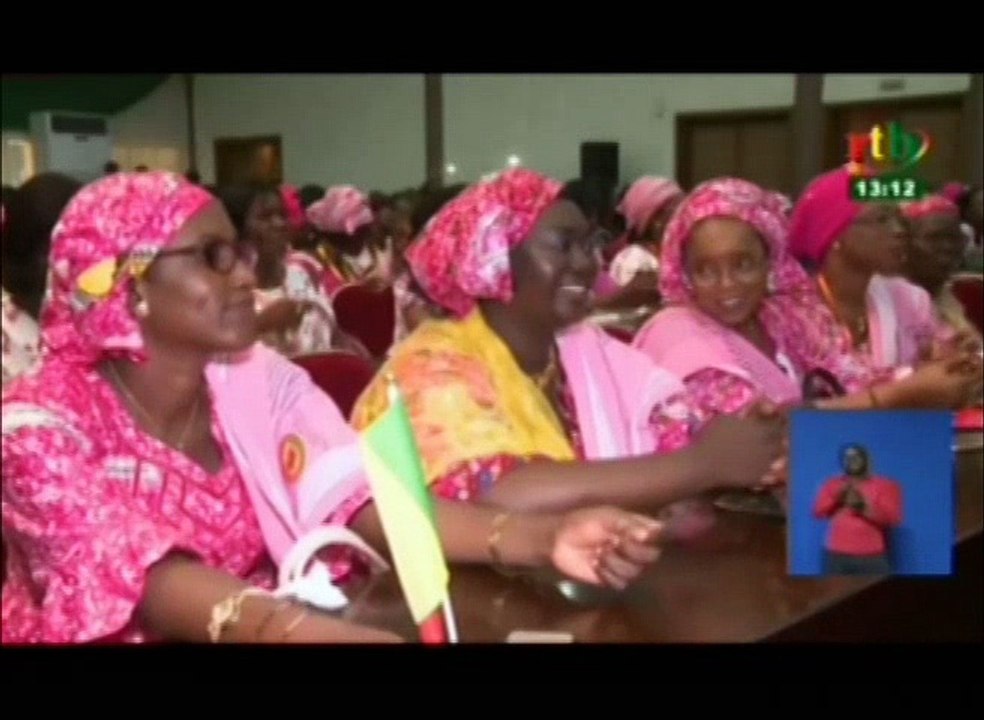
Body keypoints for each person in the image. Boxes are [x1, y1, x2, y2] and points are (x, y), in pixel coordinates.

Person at [1, 172, 666, 644]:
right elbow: (146, 579)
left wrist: (544, 538)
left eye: (240, 252)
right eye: (213, 258)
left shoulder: (257, 382)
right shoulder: (36, 427)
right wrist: (300, 631)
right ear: (127, 285)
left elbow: (367, 502)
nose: (247, 274)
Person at [352, 169, 785, 518]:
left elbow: (672, 425)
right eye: (563, 245)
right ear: (494, 259)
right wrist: (702, 465)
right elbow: (497, 493)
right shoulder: (431, 366)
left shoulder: (585, 350)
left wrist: (747, 435)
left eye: (589, 244)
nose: (586, 263)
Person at [633, 178, 981, 435]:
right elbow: (759, 435)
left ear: (770, 260)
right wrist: (905, 394)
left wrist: (938, 370)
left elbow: (849, 378)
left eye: (744, 264)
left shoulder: (782, 317)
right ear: (685, 274)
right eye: (705, 270)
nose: (727, 285)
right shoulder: (678, 335)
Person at [813, 444, 901, 575]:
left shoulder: (886, 485)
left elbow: (893, 519)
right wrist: (837, 499)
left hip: (871, 556)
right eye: (848, 458)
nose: (852, 461)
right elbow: (818, 512)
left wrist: (862, 507)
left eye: (856, 457)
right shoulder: (832, 484)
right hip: (836, 555)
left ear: (865, 459)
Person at [903, 194, 982, 340]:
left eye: (954, 238)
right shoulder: (886, 303)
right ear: (905, 243)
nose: (947, 247)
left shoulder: (970, 295)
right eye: (934, 238)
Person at [609, 176, 683, 287]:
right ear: (655, 221)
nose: (686, 213)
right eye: (678, 209)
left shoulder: (676, 251)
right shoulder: (636, 261)